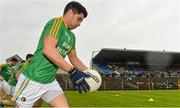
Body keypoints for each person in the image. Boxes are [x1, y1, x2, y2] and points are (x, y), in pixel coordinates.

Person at [12, 1, 90, 107]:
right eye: (79, 19)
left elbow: (74, 58)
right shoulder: (56, 23)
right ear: (70, 12)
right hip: (32, 79)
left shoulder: (71, 36)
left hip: (49, 82)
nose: (79, 24)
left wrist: (89, 73)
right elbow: (48, 50)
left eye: (81, 21)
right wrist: (73, 72)